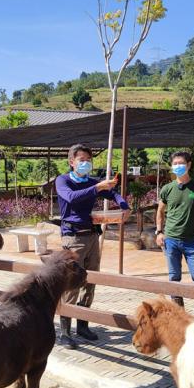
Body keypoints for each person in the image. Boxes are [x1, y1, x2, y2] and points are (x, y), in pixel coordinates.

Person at [55, 143, 130, 349]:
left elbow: (113, 193)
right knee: (71, 282)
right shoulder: (63, 181)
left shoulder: (90, 182)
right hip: (73, 238)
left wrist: (124, 206)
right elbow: (71, 197)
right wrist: (97, 187)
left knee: (90, 280)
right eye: (82, 160)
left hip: (92, 237)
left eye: (89, 160)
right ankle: (65, 331)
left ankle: (83, 324)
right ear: (72, 162)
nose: (86, 164)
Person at [155, 151, 194, 319]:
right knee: (174, 278)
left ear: (189, 165)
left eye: (181, 163)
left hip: (191, 241)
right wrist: (159, 232)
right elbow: (160, 212)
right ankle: (179, 316)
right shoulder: (167, 189)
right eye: (175, 164)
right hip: (171, 240)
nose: (178, 167)